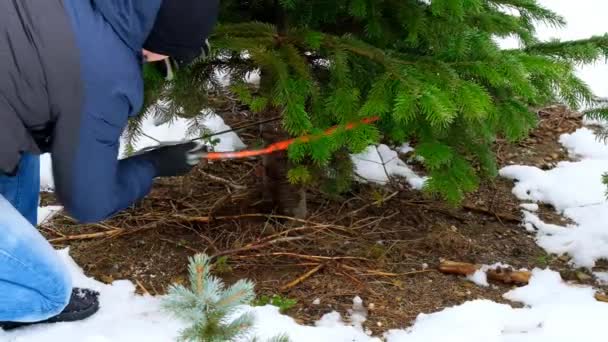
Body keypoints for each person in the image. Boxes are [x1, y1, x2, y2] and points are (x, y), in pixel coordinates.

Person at [0, 0, 219, 330]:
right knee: (47, 292)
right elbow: (89, 202)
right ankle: (17, 297)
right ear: (162, 42)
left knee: (19, 149)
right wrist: (155, 164)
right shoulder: (105, 73)